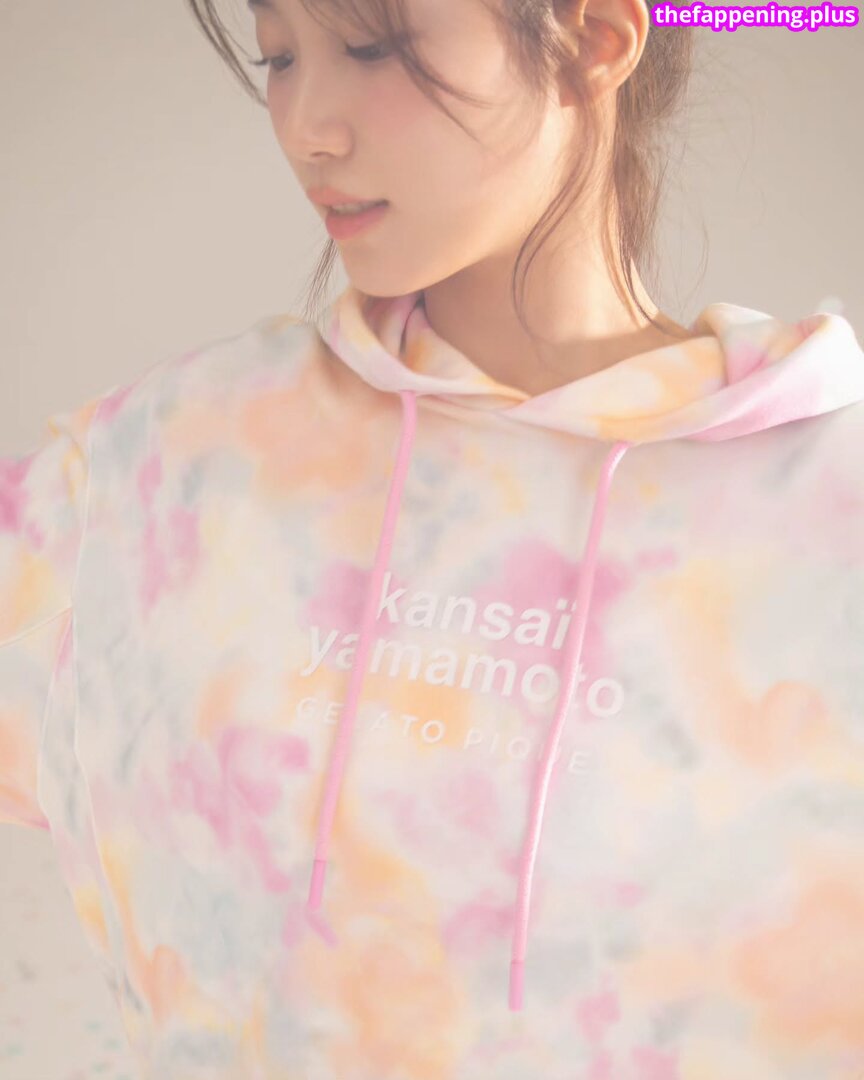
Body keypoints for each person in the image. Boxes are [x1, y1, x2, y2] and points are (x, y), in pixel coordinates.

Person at [2, 0, 863, 1076]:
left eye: (376, 48)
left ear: (595, 40)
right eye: (278, 55)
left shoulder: (827, 508)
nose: (306, 126)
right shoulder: (165, 468)